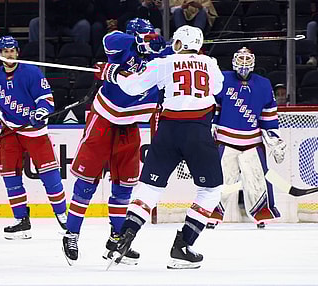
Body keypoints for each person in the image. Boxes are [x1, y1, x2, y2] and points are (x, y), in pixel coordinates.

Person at [96, 25, 225, 269]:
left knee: (149, 189)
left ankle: (123, 238)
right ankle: (183, 247)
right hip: (198, 130)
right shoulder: (210, 62)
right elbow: (217, 89)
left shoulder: (163, 63)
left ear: (177, 44)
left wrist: (112, 73)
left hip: (168, 130)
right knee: (211, 191)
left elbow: (133, 87)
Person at [61, 18, 168, 266]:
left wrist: (166, 47)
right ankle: (71, 233)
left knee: (124, 187)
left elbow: (176, 58)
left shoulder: (156, 60)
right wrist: (138, 41)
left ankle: (116, 237)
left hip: (130, 126)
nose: (149, 40)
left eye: (151, 35)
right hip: (104, 120)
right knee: (86, 184)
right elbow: (109, 39)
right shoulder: (122, 45)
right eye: (145, 36)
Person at [0, 36, 68, 240]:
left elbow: (46, 99)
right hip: (9, 130)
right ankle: (21, 221)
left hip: (34, 131)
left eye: (12, 50)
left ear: (18, 52)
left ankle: (63, 215)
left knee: (49, 174)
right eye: (5, 51)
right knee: (10, 175)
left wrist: (41, 112)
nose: (9, 54)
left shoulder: (32, 72)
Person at [205, 47, 286, 229]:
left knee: (257, 179)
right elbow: (213, 107)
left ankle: (262, 213)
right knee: (221, 179)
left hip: (252, 142)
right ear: (233, 61)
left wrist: (274, 141)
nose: (243, 63)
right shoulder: (222, 79)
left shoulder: (264, 84)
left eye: (247, 59)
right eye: (240, 59)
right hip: (226, 140)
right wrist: (208, 130)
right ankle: (213, 212)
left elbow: (268, 115)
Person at [28, 0, 94, 45]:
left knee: (84, 25)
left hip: (72, 24)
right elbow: (46, 10)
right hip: (53, 24)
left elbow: (84, 9)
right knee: (34, 23)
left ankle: (81, 55)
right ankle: (35, 54)